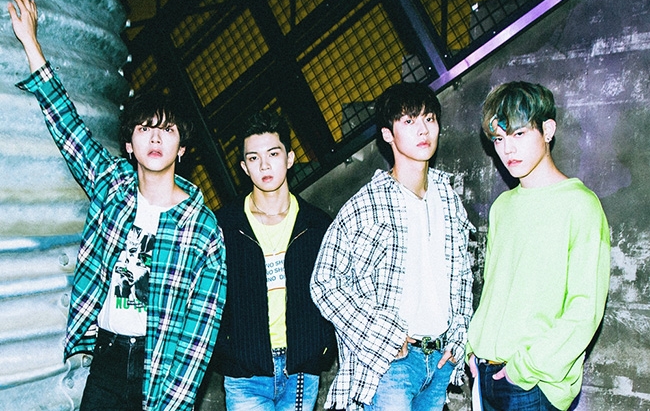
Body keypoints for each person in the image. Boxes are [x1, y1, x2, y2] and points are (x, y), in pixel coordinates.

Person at [9, 0, 227, 410]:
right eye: (145, 129)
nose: (156, 137)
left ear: (182, 148)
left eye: (167, 130)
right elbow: (69, 130)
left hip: (157, 371)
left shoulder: (202, 228)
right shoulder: (113, 187)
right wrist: (31, 43)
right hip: (107, 358)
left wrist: (173, 404)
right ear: (129, 144)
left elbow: (200, 332)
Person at [310, 82, 475, 411]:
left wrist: (459, 334)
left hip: (440, 360)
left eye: (429, 119)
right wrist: (382, 334)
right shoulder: (367, 204)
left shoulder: (447, 197)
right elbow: (324, 283)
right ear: (388, 134)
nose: (423, 129)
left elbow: (462, 275)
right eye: (409, 121)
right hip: (392, 365)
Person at [465, 81, 610, 411]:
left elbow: (585, 309)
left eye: (518, 134)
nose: (508, 149)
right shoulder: (502, 207)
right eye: (499, 139)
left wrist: (526, 367)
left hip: (533, 382)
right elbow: (494, 290)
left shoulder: (580, 205)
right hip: (485, 373)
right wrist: (473, 346)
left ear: (547, 130)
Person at [207, 110, 336, 410]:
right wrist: (226, 351)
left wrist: (320, 347)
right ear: (244, 167)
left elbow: (335, 289)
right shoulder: (224, 227)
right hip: (245, 375)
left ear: (289, 158)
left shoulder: (316, 225)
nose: (264, 165)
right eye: (253, 158)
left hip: (301, 371)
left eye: (273, 154)